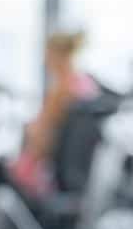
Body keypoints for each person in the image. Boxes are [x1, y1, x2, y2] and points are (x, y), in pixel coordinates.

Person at [7, 31, 98, 198]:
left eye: (47, 54)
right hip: (77, 173)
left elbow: (42, 138)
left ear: (58, 56)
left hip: (46, 171)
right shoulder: (87, 84)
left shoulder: (62, 90)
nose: (44, 61)